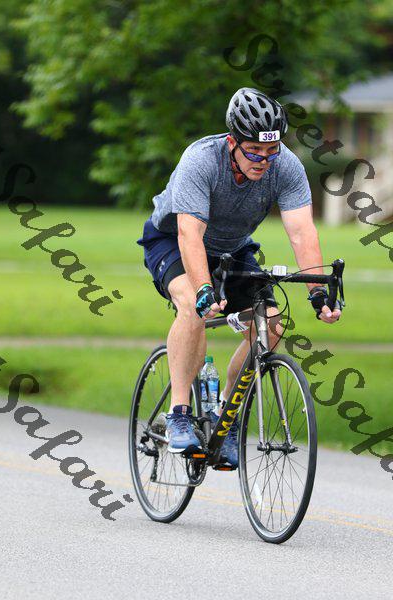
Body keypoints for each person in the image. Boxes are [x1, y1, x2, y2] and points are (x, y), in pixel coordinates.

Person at [137, 87, 341, 467]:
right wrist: (203, 288)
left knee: (272, 324)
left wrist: (318, 292)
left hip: (233, 249)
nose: (264, 160)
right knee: (193, 306)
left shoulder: (285, 166)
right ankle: (179, 414)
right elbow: (190, 234)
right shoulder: (201, 160)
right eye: (254, 151)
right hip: (172, 240)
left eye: (271, 150)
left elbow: (301, 232)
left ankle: (226, 417)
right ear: (233, 142)